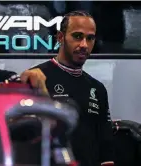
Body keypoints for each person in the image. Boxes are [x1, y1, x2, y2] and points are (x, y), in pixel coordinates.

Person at [20, 11, 115, 166]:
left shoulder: (97, 88)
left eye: (90, 38)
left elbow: (106, 143)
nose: (84, 45)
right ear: (60, 38)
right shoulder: (37, 79)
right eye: (77, 36)